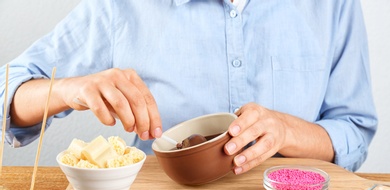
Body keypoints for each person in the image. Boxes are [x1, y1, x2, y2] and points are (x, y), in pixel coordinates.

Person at [0, 0, 378, 174]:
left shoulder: (334, 5)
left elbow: (354, 131)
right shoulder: (121, 7)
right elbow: (7, 93)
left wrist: (288, 131)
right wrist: (69, 88)